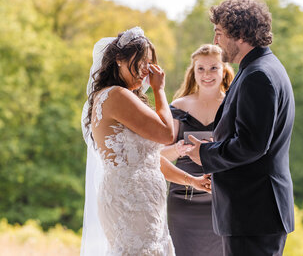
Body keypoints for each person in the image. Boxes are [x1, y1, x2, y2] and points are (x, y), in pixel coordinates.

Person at [80, 27, 211, 256]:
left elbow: (148, 160)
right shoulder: (115, 96)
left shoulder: (126, 97)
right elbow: (167, 134)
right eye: (140, 61)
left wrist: (192, 181)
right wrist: (160, 90)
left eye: (149, 62)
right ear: (119, 59)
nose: (146, 69)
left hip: (146, 203)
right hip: (130, 202)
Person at [186, 0, 295, 256]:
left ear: (242, 34)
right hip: (255, 213)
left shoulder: (258, 75)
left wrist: (204, 155)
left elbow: (252, 145)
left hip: (253, 213)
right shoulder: (260, 68)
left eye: (220, 34)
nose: (216, 42)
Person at [161, 44, 234, 256]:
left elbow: (246, 151)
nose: (207, 74)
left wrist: (217, 150)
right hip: (183, 198)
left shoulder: (234, 105)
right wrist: (179, 149)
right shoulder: (178, 106)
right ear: (193, 72)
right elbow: (157, 157)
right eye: (200, 68)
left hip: (222, 198)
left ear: (224, 70)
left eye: (213, 68)